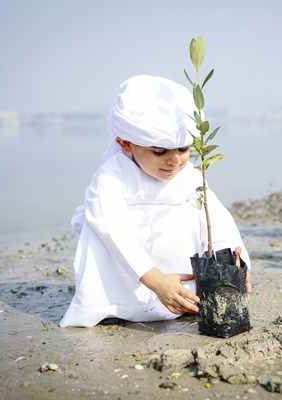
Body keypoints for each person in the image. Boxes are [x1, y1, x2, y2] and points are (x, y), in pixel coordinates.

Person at [60, 75, 251, 328]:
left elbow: (216, 219)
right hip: (131, 274)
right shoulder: (111, 177)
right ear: (125, 143)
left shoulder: (189, 176)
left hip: (178, 275)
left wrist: (233, 261)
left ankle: (184, 297)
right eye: (159, 152)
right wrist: (157, 280)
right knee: (98, 228)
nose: (174, 161)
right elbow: (113, 230)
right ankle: (121, 306)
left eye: (183, 149)